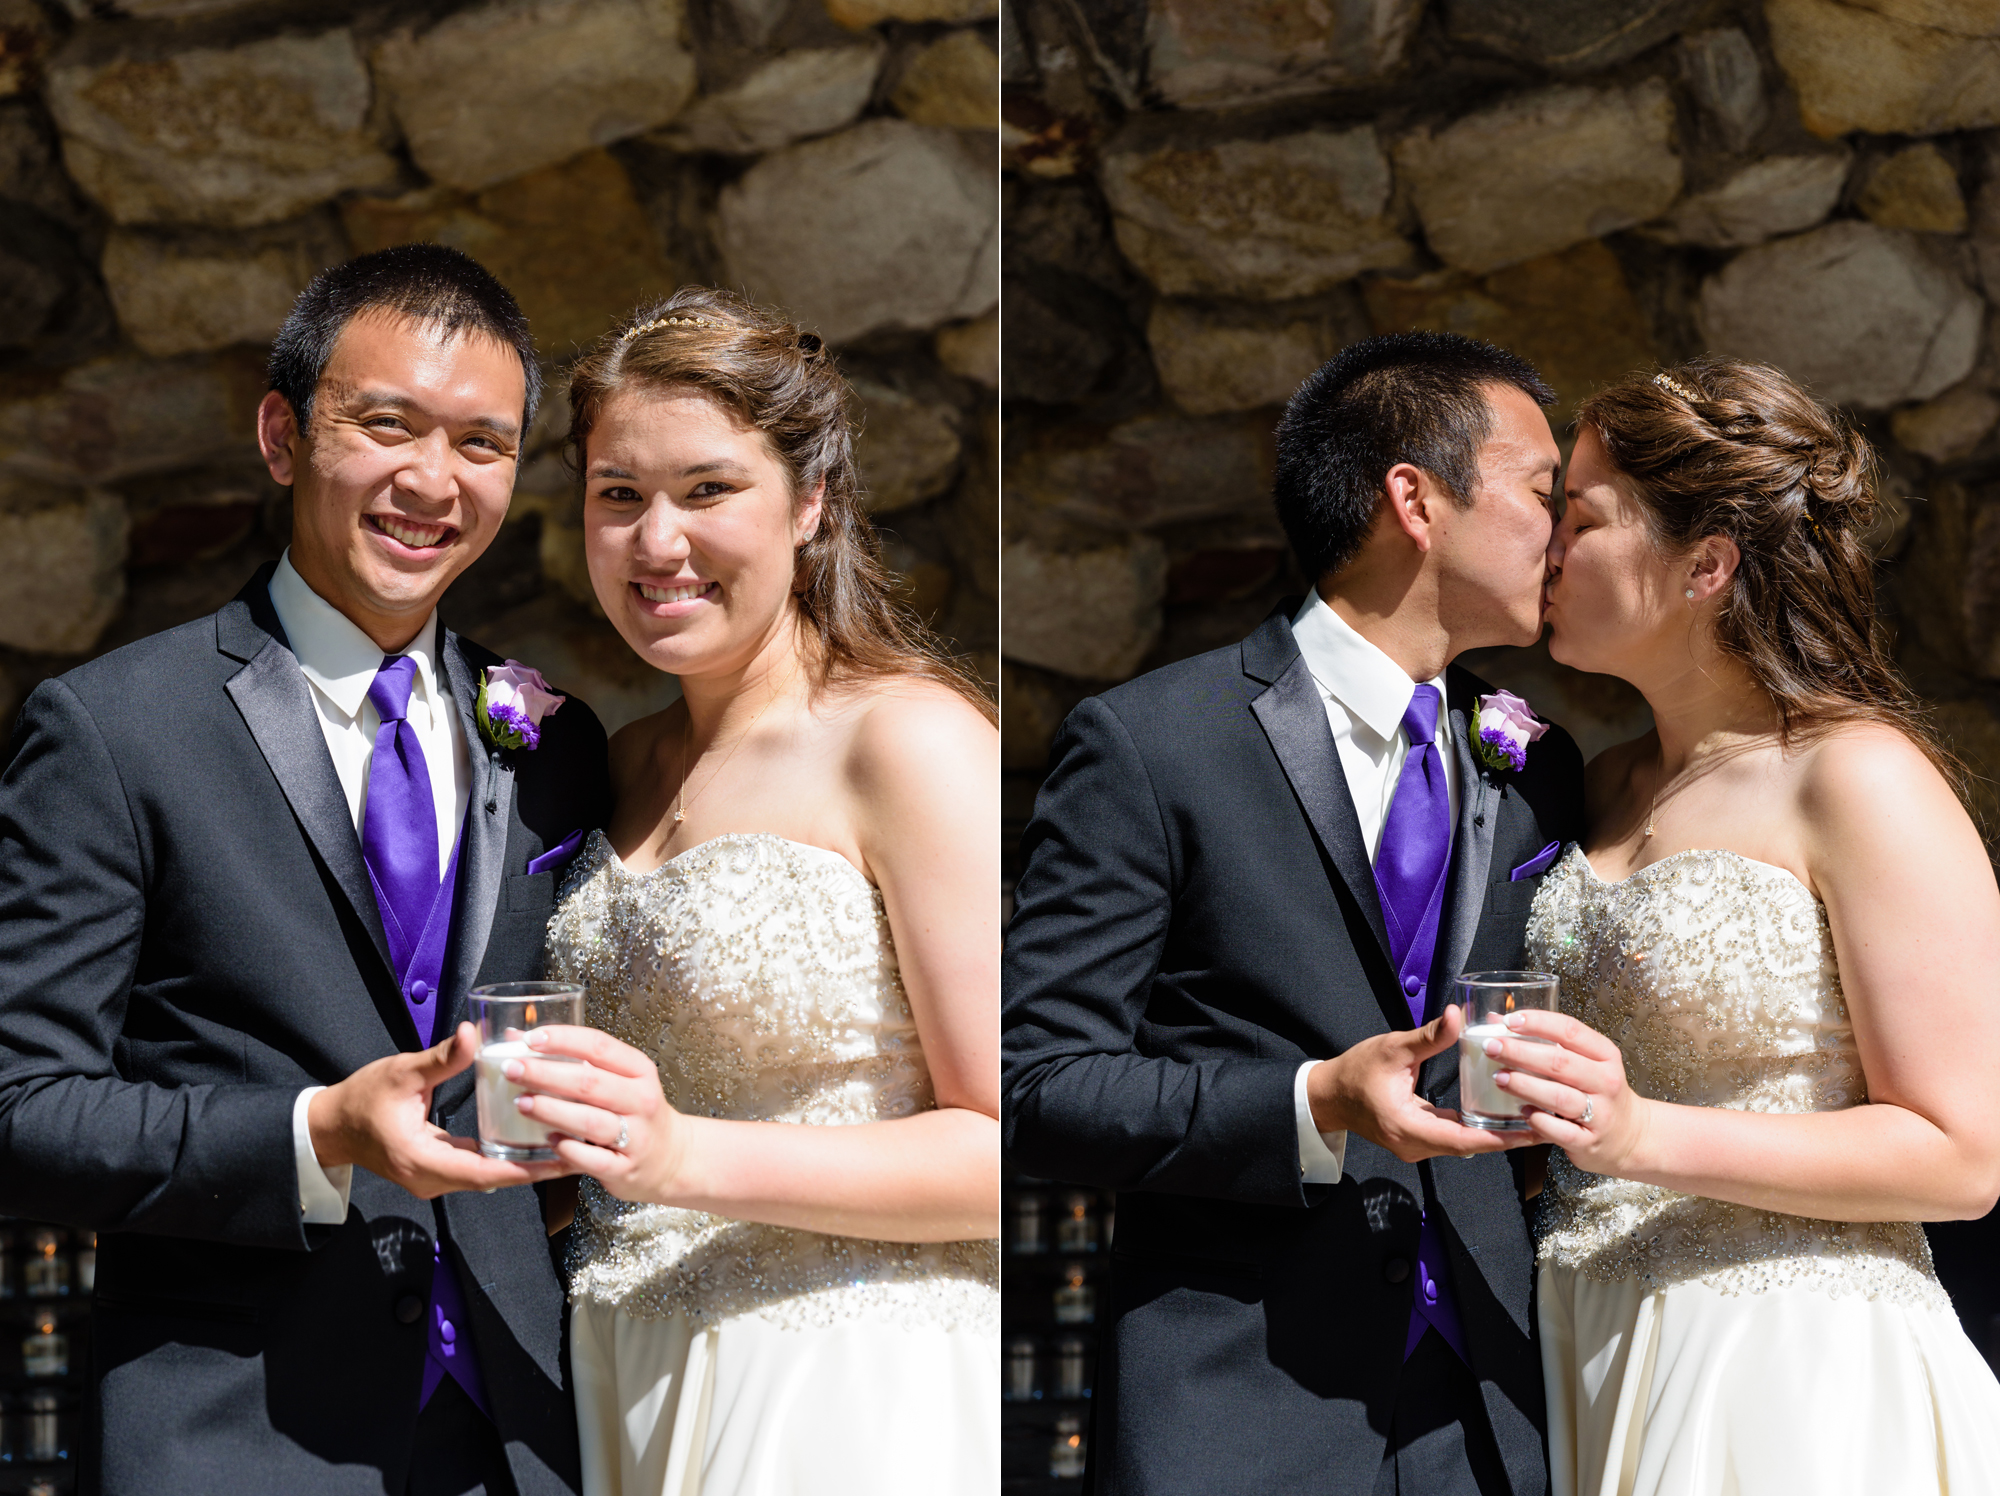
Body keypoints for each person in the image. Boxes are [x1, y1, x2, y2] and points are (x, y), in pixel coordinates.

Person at [0, 244, 609, 1495]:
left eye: (482, 444)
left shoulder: (553, 738)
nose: (432, 480)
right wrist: (315, 1131)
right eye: (386, 424)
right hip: (236, 1431)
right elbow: (22, 1108)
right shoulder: (113, 729)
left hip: (524, 1428)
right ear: (282, 434)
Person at [1003, 332, 1585, 1495]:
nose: (1560, 532)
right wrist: (1312, 1100)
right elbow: (1038, 1084)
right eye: (1539, 490)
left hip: (1497, 1413)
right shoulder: (1150, 743)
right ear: (1413, 499)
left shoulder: (1537, 764)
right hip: (1240, 1404)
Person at [489, 288, 1000, 1495]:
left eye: (707, 489)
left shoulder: (905, 739)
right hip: (622, 1360)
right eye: (619, 496)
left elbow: (995, 1143)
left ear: (809, 501)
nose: (657, 541)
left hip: (840, 1377)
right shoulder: (619, 761)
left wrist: (677, 1154)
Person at [1500, 357, 2000, 1493]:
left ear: (1705, 565)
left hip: (1783, 1361)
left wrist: (1636, 1136)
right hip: (1584, 1334)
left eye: (1574, 517)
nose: (1546, 549)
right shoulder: (1600, 781)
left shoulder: (1857, 777)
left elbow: (1959, 1152)